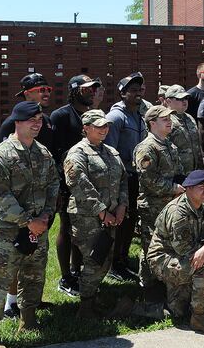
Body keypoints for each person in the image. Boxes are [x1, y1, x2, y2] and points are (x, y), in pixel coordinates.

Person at [0, 101, 59, 346]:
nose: (37, 124)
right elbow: (0, 196)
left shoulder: (43, 153)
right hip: (7, 232)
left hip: (39, 229)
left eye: (39, 120)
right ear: (17, 121)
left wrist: (45, 215)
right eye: (31, 120)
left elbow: (54, 184)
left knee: (34, 276)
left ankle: (29, 319)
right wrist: (28, 221)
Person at [63, 109, 128, 318]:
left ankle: (92, 297)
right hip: (86, 217)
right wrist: (101, 212)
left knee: (105, 259)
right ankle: (86, 307)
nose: (104, 129)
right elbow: (79, 184)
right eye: (99, 126)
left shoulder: (111, 152)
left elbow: (123, 181)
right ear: (86, 128)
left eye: (106, 126)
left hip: (110, 215)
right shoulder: (77, 153)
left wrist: (122, 206)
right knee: (95, 259)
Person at [148, 170, 204, 335]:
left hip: (186, 255)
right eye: (201, 187)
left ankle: (169, 301)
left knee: (178, 311)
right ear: (188, 188)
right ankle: (199, 318)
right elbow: (184, 249)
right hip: (163, 259)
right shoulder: (178, 212)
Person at [50, 74, 101, 298]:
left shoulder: (92, 116)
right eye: (86, 88)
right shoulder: (60, 115)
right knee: (67, 227)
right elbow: (55, 152)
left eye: (93, 89)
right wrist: (62, 186)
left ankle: (77, 271)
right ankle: (66, 277)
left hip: (91, 181)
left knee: (83, 229)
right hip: (67, 182)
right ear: (74, 90)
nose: (91, 92)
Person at [134, 105, 185, 297]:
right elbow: (148, 180)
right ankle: (149, 287)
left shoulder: (168, 145)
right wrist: (173, 189)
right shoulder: (147, 147)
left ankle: (159, 282)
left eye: (170, 118)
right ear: (152, 123)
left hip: (170, 204)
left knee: (164, 244)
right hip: (153, 206)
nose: (169, 122)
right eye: (165, 119)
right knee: (152, 246)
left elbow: (177, 173)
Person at [104, 72, 148, 281]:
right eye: (133, 90)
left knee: (130, 221)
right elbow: (109, 151)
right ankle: (113, 263)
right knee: (120, 221)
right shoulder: (116, 117)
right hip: (122, 177)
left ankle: (122, 259)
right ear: (122, 93)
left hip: (136, 176)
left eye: (140, 90)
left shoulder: (139, 115)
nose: (138, 94)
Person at [0, 73, 55, 148]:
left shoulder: (47, 120)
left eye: (48, 90)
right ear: (27, 94)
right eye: (42, 90)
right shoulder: (13, 122)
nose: (47, 93)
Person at [165, 85, 204, 173]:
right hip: (177, 172)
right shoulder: (165, 120)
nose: (184, 101)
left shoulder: (189, 118)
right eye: (180, 99)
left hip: (194, 171)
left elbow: (197, 145)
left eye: (186, 98)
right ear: (168, 101)